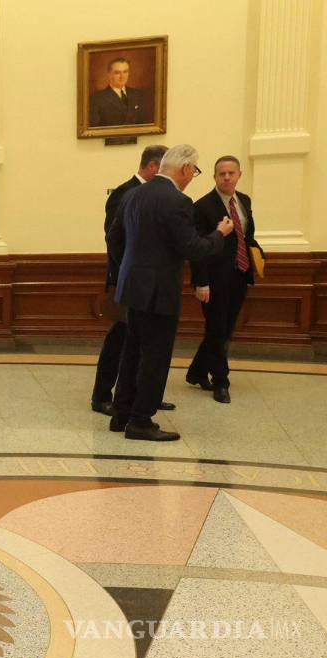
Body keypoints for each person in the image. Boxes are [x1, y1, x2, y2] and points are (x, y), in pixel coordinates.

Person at [109, 145, 232, 441]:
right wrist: (220, 234)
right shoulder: (177, 200)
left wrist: (129, 271)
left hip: (132, 287)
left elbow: (114, 238)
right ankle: (141, 421)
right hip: (158, 291)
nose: (192, 177)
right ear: (186, 168)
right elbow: (193, 248)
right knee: (155, 357)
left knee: (132, 352)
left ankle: (121, 414)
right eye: (195, 171)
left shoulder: (133, 194)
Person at [92, 145, 175, 416]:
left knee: (142, 342)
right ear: (152, 166)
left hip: (147, 284)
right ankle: (101, 396)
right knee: (119, 340)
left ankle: (142, 396)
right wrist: (124, 278)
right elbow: (115, 240)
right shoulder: (124, 193)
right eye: (165, 169)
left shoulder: (152, 195)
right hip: (126, 282)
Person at [186, 156, 264, 404]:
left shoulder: (244, 201)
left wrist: (259, 254)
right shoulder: (202, 207)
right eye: (222, 174)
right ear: (215, 177)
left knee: (224, 329)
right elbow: (197, 249)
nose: (227, 177)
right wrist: (201, 282)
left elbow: (247, 236)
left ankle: (197, 371)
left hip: (240, 274)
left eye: (231, 173)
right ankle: (221, 381)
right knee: (217, 329)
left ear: (239, 175)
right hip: (214, 279)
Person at [89, 57, 154, 127]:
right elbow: (95, 127)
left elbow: (146, 123)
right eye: (117, 73)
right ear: (109, 74)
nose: (122, 76)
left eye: (125, 72)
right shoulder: (97, 98)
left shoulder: (138, 94)